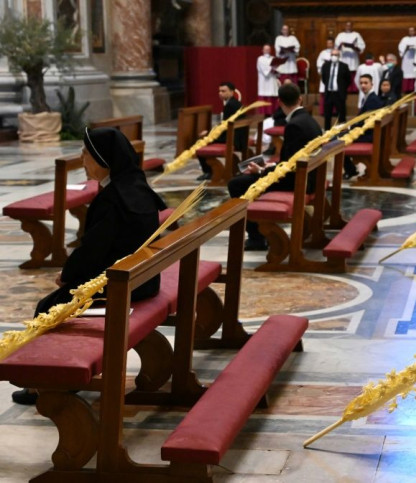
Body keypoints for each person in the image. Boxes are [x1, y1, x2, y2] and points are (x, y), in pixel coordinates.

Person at [12, 127, 167, 405]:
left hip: (122, 286)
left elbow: (92, 250)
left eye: (86, 153)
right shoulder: (135, 185)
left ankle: (52, 384)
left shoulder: (112, 199)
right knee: (56, 301)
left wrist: (67, 275)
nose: (82, 159)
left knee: (49, 308)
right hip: (143, 280)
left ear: (103, 159)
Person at [227, 83, 322, 250]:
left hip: (298, 181)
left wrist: (263, 170)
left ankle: (256, 237)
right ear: (300, 99)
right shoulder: (310, 120)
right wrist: (270, 165)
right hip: (307, 175)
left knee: (236, 183)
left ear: (279, 102)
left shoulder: (294, 125)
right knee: (246, 172)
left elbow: (287, 170)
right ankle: (258, 233)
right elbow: (289, 161)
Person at [197, 81, 243, 181]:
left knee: (199, 144)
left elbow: (224, 127)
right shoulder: (236, 103)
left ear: (231, 92)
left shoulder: (230, 105)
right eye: (219, 91)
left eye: (223, 91)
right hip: (238, 136)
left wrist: (209, 134)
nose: (220, 93)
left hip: (231, 138)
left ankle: (209, 172)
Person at [344, 74, 383, 179]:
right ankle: (350, 169)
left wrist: (349, 128)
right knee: (339, 135)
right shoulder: (370, 98)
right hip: (367, 132)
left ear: (372, 84)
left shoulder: (373, 100)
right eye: (361, 83)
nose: (363, 85)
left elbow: (365, 123)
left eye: (366, 83)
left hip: (368, 136)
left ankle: (350, 170)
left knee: (338, 141)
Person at [320, 48, 351, 130]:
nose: (334, 56)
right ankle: (326, 133)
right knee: (327, 116)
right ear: (330, 56)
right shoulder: (325, 66)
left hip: (339, 94)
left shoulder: (344, 66)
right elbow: (324, 79)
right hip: (329, 93)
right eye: (333, 55)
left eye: (336, 55)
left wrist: (342, 88)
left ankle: (342, 133)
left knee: (341, 115)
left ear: (339, 56)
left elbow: (348, 80)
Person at [335, 21, 366, 93]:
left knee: (353, 73)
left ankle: (354, 89)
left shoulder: (357, 35)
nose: (348, 27)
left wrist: (353, 46)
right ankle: (345, 88)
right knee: (344, 73)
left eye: (349, 25)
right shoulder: (340, 35)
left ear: (352, 26)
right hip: (343, 57)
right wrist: (341, 45)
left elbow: (362, 47)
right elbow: (336, 46)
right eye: (347, 25)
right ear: (344, 26)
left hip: (353, 57)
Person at [256, 44, 280, 115]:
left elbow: (278, 71)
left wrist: (276, 69)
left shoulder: (273, 58)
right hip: (264, 82)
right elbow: (265, 71)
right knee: (265, 98)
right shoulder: (260, 59)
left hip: (272, 81)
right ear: (262, 50)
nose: (267, 50)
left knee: (273, 98)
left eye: (268, 49)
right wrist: (272, 68)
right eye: (265, 49)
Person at [398, 27, 416, 93]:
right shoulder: (405, 39)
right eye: (410, 31)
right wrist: (407, 48)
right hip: (407, 61)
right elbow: (401, 51)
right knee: (407, 75)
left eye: (412, 30)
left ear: (415, 31)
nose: (411, 32)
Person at [316, 37, 335, 116]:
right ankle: (323, 111)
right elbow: (319, 64)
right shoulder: (323, 53)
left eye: (330, 43)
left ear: (333, 43)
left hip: (334, 77)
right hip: (325, 77)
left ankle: (334, 111)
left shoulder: (336, 52)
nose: (329, 45)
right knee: (324, 95)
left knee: (334, 94)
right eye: (327, 43)